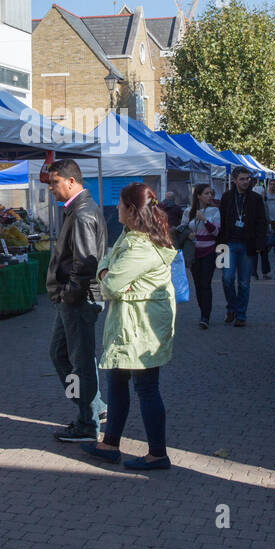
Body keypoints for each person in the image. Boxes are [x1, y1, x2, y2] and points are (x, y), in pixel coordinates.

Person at [81, 183, 175, 469]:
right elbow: (107, 264)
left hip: (141, 327)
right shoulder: (130, 235)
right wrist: (107, 270)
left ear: (131, 210)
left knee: (146, 388)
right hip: (130, 324)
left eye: (120, 205)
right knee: (117, 381)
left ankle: (158, 454)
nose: (116, 209)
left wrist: (108, 273)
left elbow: (109, 285)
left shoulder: (142, 246)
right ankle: (110, 444)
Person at [45, 159, 109, 443]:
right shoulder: (81, 209)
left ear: (71, 182)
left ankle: (87, 422)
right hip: (76, 298)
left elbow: (84, 264)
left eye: (54, 182)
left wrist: (67, 295)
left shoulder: (82, 213)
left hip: (79, 299)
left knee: (77, 359)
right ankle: (94, 409)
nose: (51, 189)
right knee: (66, 354)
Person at [217, 166, 266, 326]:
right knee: (227, 279)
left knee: (244, 282)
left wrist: (259, 243)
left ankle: (241, 315)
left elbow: (261, 222)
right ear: (234, 180)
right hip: (228, 243)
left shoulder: (255, 198)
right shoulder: (226, 197)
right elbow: (221, 221)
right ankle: (232, 307)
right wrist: (218, 245)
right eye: (242, 179)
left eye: (247, 179)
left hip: (247, 244)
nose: (246, 182)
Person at [182, 183, 220, 328]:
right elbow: (182, 229)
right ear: (198, 196)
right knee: (198, 285)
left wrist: (205, 220)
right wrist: (188, 234)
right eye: (206, 193)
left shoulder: (215, 211)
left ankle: (206, 316)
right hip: (194, 252)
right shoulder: (188, 211)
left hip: (209, 251)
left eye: (211, 193)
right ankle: (202, 311)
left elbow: (216, 232)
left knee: (205, 284)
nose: (210, 196)